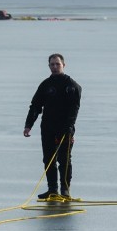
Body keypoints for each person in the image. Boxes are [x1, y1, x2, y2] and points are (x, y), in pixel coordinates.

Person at [23, 53, 82, 199]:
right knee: (49, 159)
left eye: (58, 64)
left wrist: (69, 127)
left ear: (64, 65)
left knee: (64, 160)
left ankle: (65, 190)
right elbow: (35, 106)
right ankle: (52, 189)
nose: (55, 67)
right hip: (48, 127)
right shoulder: (45, 85)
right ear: (49, 66)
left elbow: (74, 109)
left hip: (65, 128)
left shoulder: (72, 86)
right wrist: (28, 125)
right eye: (52, 64)